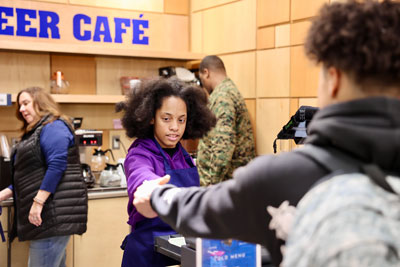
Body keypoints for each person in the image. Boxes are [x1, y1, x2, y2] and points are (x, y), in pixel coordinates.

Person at [132, 0, 400, 266]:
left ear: (334, 79)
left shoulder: (278, 178)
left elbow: (202, 207)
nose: (175, 126)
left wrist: (157, 196)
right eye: (167, 119)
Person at [116, 77, 216, 267]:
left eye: (181, 120)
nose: (174, 127)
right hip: (147, 253)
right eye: (166, 119)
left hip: (180, 250)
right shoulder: (140, 153)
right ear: (151, 117)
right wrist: (151, 189)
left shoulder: (183, 154)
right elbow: (141, 176)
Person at [0, 87, 88, 267]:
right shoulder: (38, 130)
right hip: (48, 217)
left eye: (26, 103)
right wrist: (6, 193)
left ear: (40, 103)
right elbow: (31, 174)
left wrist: (38, 202)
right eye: (20, 106)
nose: (21, 109)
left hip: (51, 215)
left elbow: (57, 165)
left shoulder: (53, 126)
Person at [197, 55, 256, 185]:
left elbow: (223, 145)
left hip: (225, 184)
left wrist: (210, 185)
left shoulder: (222, 96)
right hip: (232, 182)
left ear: (206, 73)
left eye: (202, 80)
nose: (203, 86)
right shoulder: (229, 91)